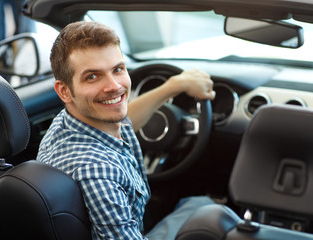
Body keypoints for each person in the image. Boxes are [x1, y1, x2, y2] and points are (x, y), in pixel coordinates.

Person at [37, 21, 216, 239]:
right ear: (64, 91)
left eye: (118, 69)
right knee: (215, 216)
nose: (114, 86)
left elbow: (125, 118)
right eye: (92, 76)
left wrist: (173, 86)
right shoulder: (97, 172)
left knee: (200, 204)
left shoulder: (70, 121)